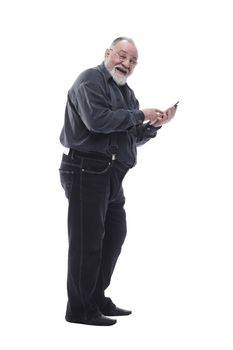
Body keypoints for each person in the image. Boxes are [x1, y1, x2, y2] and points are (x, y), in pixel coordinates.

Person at [59, 37, 177, 326]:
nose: (127, 63)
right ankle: (80, 309)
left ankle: (95, 298)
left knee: (113, 236)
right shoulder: (90, 80)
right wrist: (139, 115)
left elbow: (130, 136)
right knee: (87, 242)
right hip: (86, 169)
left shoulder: (127, 94)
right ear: (108, 53)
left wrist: (153, 126)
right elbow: (97, 121)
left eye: (133, 61)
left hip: (111, 175)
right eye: (122, 56)